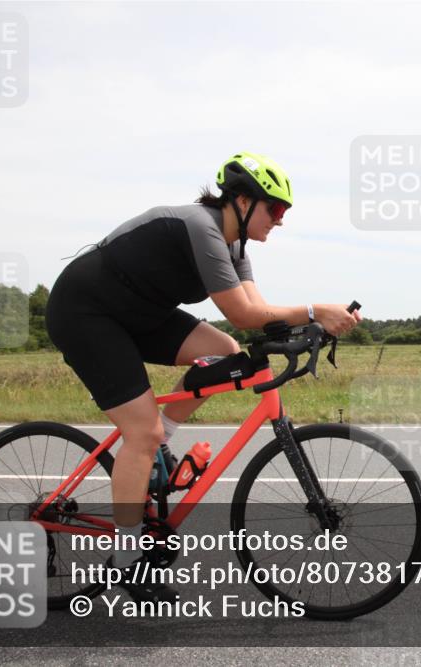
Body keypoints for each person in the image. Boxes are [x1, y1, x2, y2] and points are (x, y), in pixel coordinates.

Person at [45, 152, 361, 600]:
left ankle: (160, 447)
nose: (280, 220)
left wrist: (310, 328)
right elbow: (243, 313)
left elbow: (259, 313)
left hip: (137, 313)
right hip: (86, 312)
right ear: (242, 202)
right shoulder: (201, 227)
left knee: (223, 352)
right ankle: (128, 561)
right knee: (141, 433)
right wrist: (315, 309)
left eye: (284, 211)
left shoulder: (237, 248)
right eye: (275, 208)